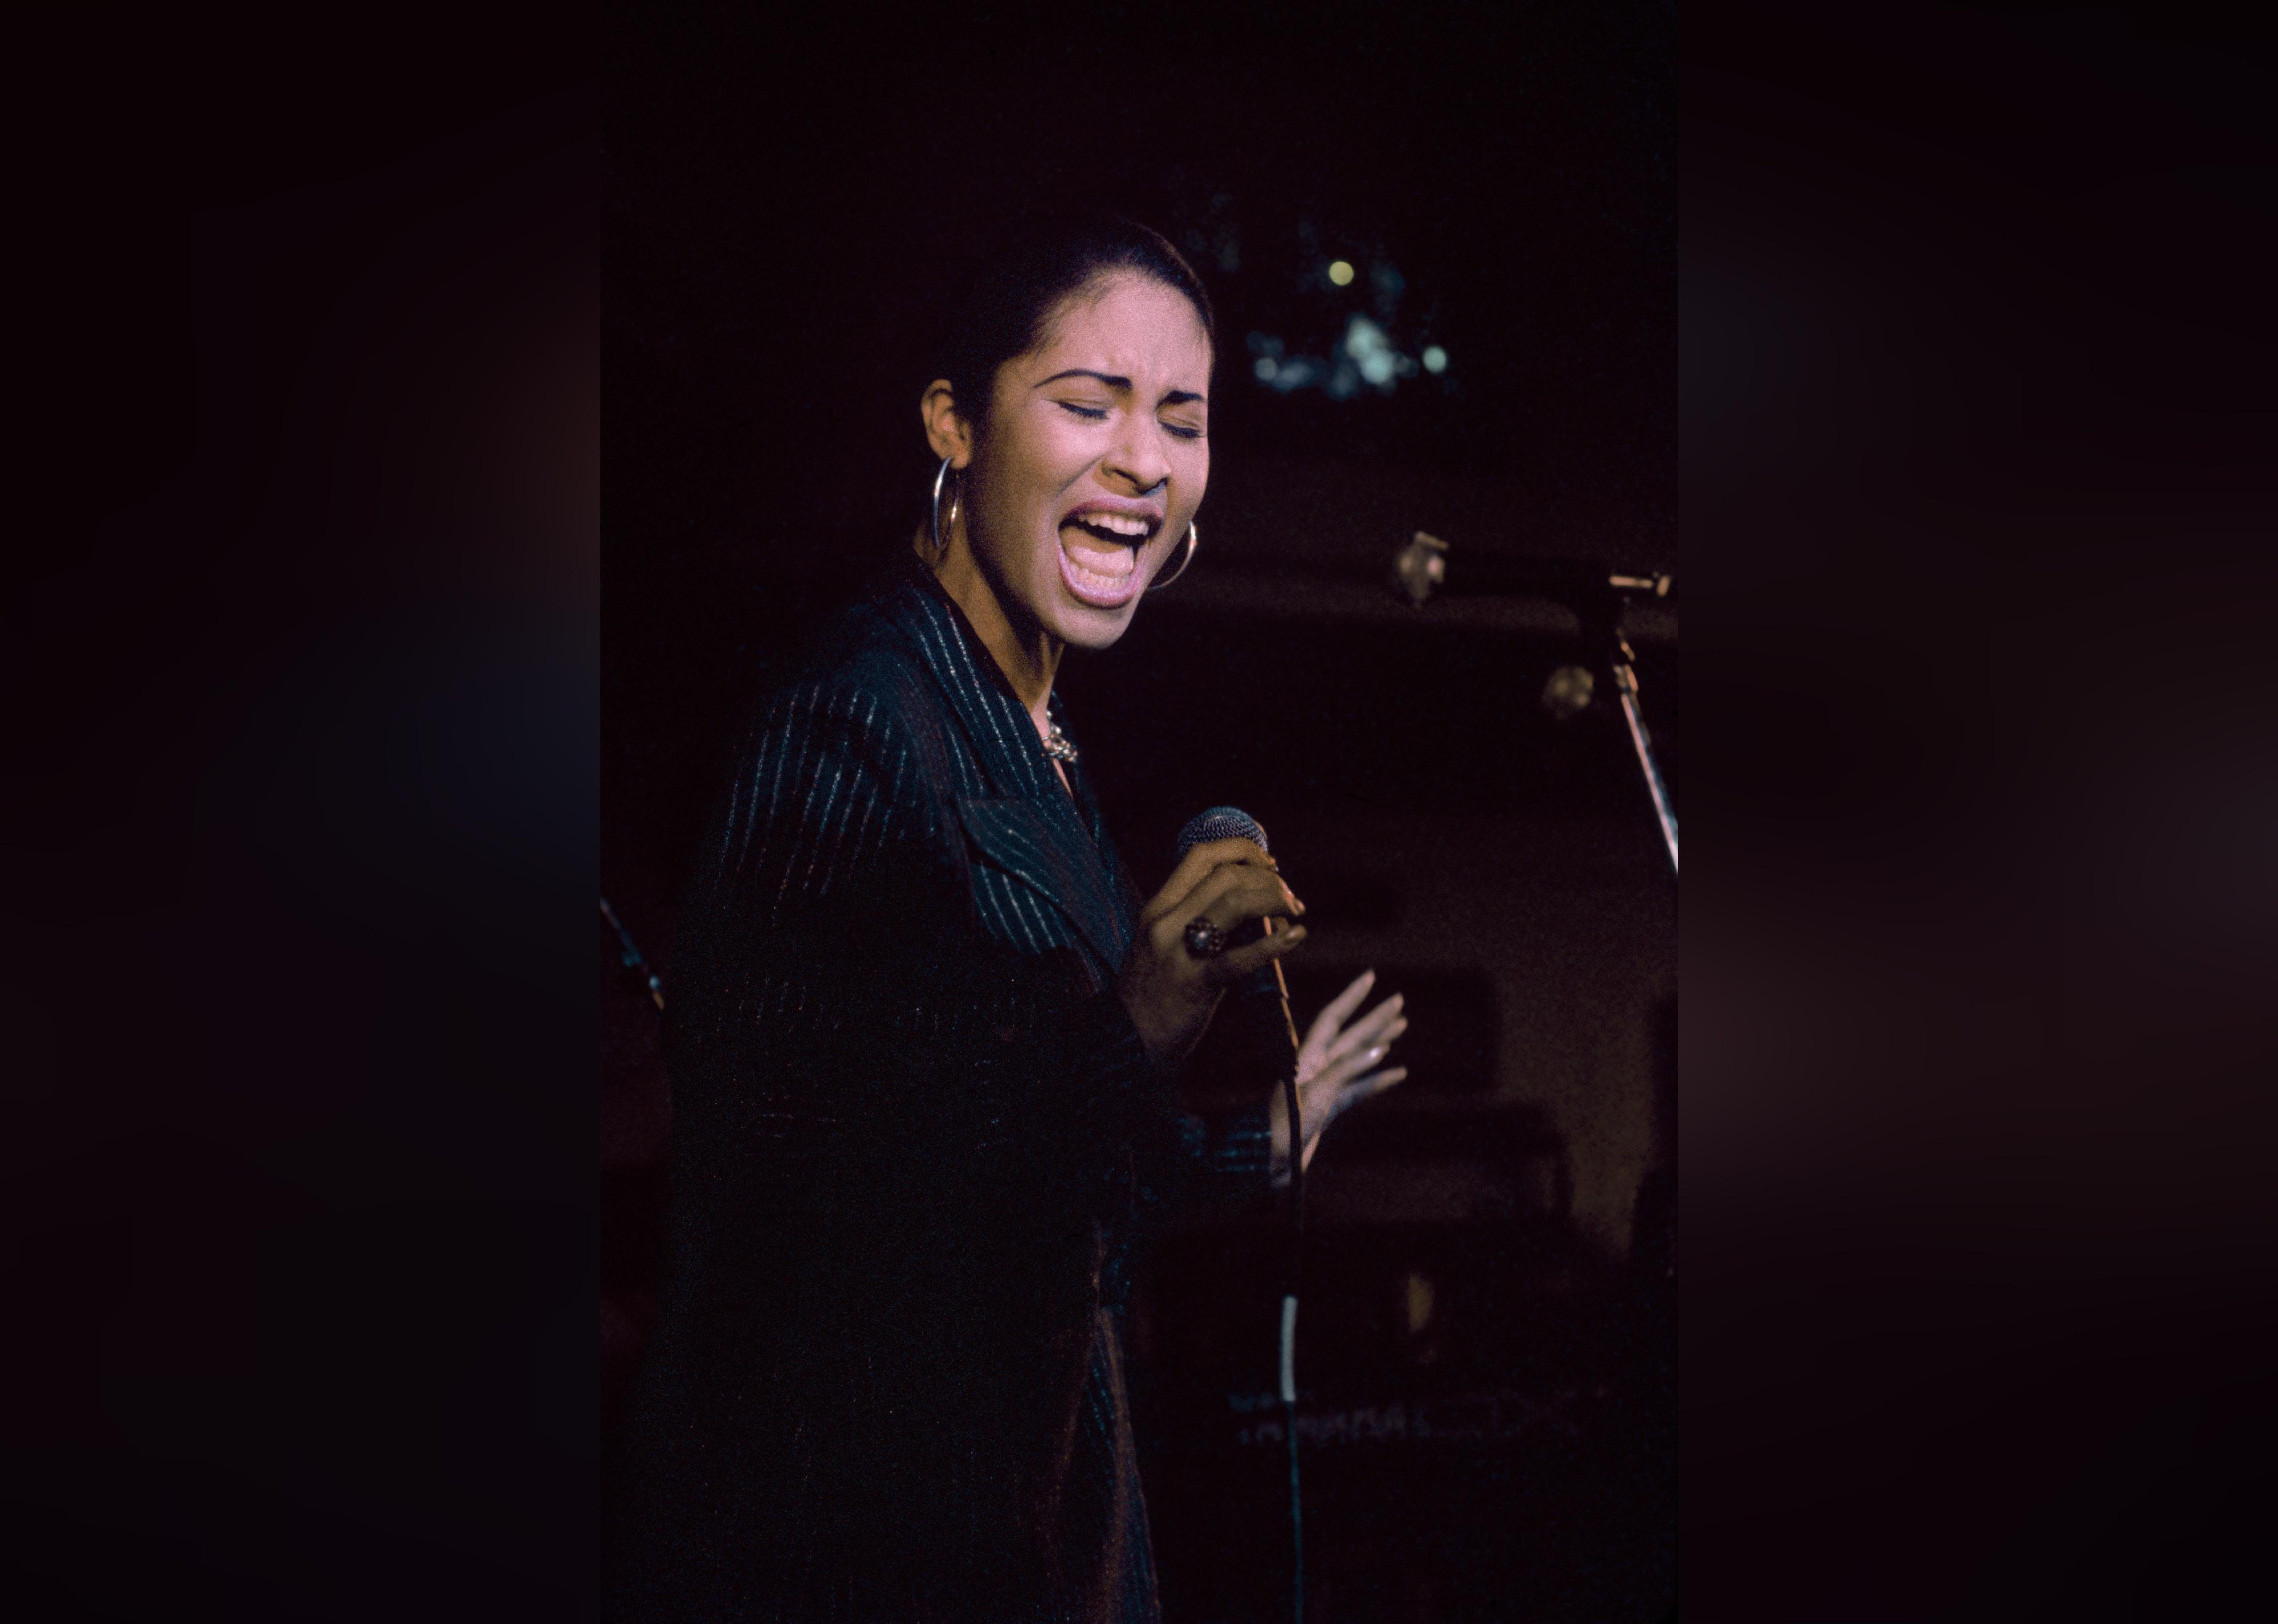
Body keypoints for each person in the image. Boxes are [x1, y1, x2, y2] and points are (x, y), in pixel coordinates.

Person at [603, 211, 1408, 1623]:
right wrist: (1145, 1017)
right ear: (955, 425)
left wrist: (1257, 1140)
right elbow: (793, 1195)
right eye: (1086, 403)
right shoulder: (858, 716)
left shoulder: (1035, 739)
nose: (1142, 459)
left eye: (1181, 416)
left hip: (1043, 1520)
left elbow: (1056, 1175)